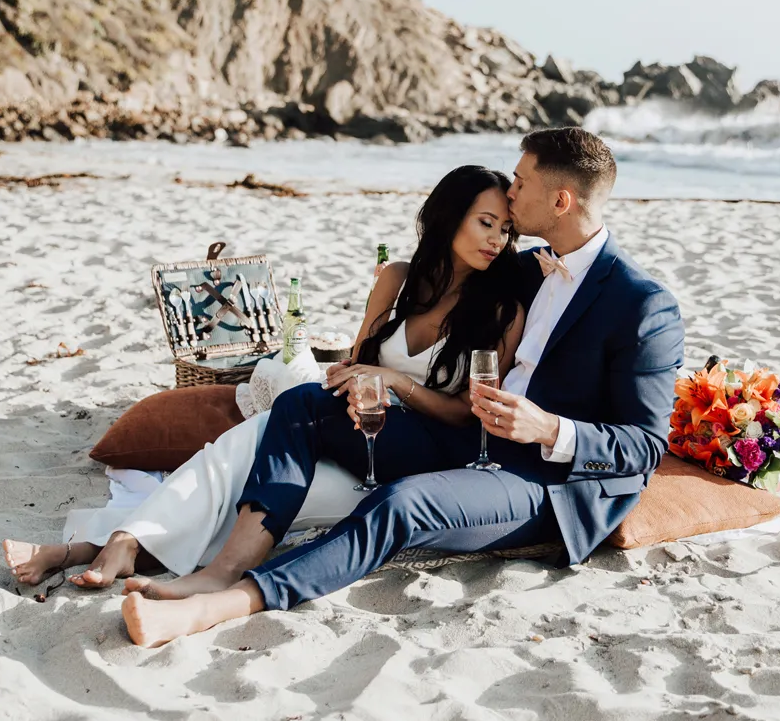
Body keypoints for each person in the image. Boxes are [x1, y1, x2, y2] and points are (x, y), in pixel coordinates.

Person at [118, 127, 685, 647]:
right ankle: (222, 566)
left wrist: (550, 428)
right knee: (303, 404)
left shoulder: (642, 304)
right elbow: (450, 266)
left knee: (402, 501)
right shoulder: (529, 264)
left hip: (546, 480)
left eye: (521, 181)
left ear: (560, 201)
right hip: (473, 442)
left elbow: (645, 446)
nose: (510, 194)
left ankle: (231, 601)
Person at [1, 165, 527, 589]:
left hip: (431, 446)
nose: (497, 240)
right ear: (450, 216)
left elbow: (468, 412)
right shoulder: (396, 279)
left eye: (506, 230)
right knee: (245, 466)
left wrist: (398, 384)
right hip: (361, 426)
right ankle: (105, 547)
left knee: (289, 410)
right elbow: (362, 356)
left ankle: (149, 552)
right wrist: (352, 373)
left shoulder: (501, 308)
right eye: (486, 223)